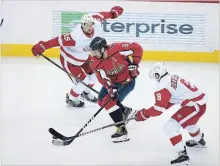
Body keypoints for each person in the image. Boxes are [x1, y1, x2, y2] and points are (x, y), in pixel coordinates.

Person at [31, 6, 124, 107]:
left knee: (93, 76)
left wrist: (112, 13)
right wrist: (42, 45)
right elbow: (56, 41)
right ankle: (71, 99)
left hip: (84, 57)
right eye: (86, 25)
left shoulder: (96, 24)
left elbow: (101, 15)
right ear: (82, 25)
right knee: (82, 82)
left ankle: (86, 93)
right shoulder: (74, 36)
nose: (89, 27)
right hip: (70, 60)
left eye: (91, 25)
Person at [135, 62, 207, 165]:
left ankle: (183, 156)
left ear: (157, 74)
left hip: (195, 106)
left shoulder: (162, 85)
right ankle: (200, 140)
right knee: (189, 124)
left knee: (170, 126)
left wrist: (144, 114)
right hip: (199, 104)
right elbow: (173, 99)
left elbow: (158, 110)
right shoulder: (172, 76)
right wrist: (148, 112)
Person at [88, 36, 143, 143]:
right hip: (113, 83)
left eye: (95, 51)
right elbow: (102, 78)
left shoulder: (117, 48)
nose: (93, 54)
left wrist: (135, 63)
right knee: (101, 102)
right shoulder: (95, 62)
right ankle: (124, 111)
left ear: (102, 49)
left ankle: (122, 131)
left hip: (127, 81)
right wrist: (110, 87)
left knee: (108, 103)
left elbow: (137, 47)